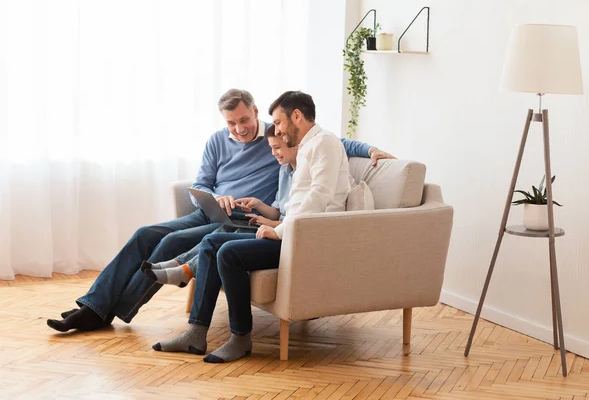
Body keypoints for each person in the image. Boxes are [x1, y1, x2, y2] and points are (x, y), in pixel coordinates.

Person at [47, 89, 393, 332]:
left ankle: (105, 313)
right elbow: (201, 184)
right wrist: (215, 197)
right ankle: (95, 306)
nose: (238, 129)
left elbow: (332, 142)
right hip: (209, 212)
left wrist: (370, 147)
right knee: (144, 234)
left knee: (171, 244)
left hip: (242, 220)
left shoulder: (278, 137)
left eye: (243, 120)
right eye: (231, 123)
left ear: (255, 113)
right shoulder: (217, 140)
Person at [154, 90, 360, 363]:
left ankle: (240, 338)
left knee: (228, 253)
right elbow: (299, 203)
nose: (276, 129)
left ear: (296, 116)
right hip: (295, 232)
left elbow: (317, 200)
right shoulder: (308, 147)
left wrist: (278, 230)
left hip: (309, 239)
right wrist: (277, 223)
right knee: (212, 243)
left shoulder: (324, 144)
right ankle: (196, 331)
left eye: (278, 121)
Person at [142, 124, 297, 288]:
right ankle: (177, 263)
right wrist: (258, 204)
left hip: (279, 232)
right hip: (236, 216)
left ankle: (185, 271)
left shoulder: (300, 174)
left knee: (220, 235)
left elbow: (294, 220)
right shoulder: (283, 170)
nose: (273, 153)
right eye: (271, 148)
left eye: (277, 148)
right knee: (228, 227)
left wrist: (269, 223)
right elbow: (277, 211)